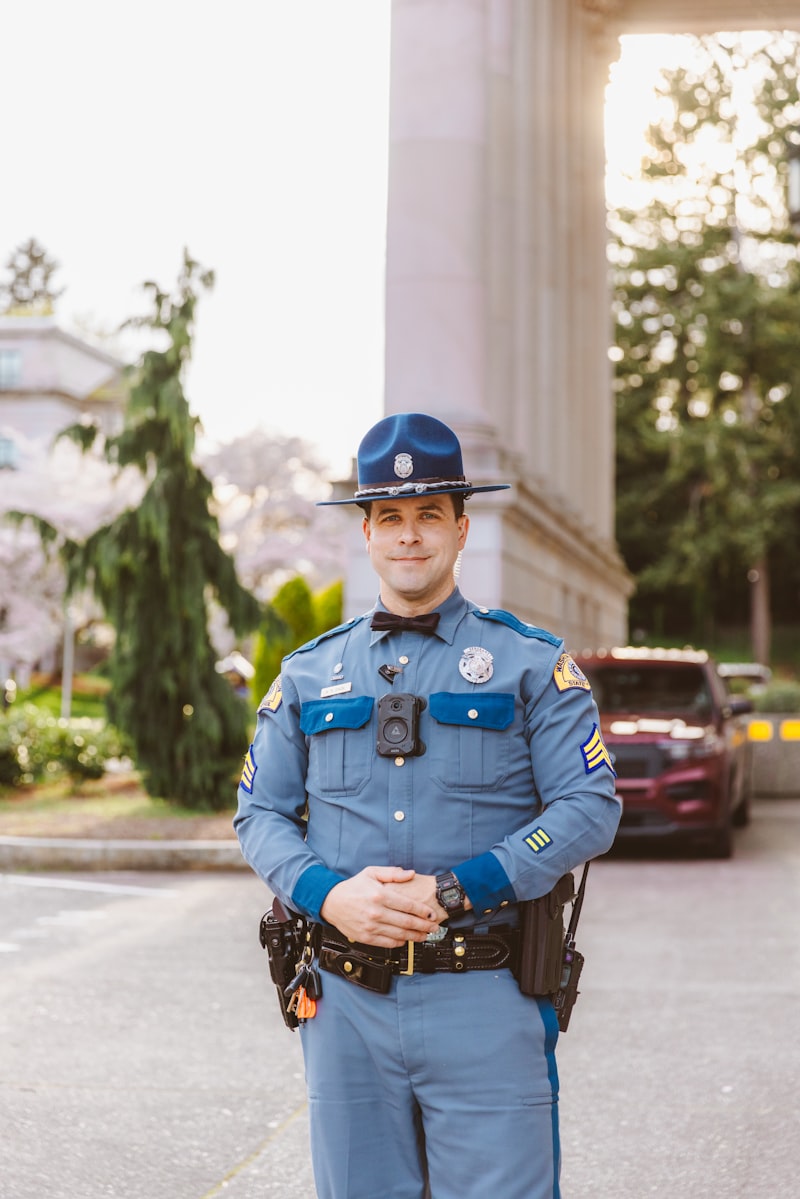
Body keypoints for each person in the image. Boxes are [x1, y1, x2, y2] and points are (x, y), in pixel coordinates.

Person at [234, 412, 621, 1199]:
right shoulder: (309, 674)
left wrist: (458, 887)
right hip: (344, 1005)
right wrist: (327, 893)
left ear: (462, 527)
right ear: (367, 532)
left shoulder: (529, 664)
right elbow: (258, 815)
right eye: (392, 518)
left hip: (482, 994)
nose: (410, 535)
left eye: (429, 515)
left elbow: (588, 805)